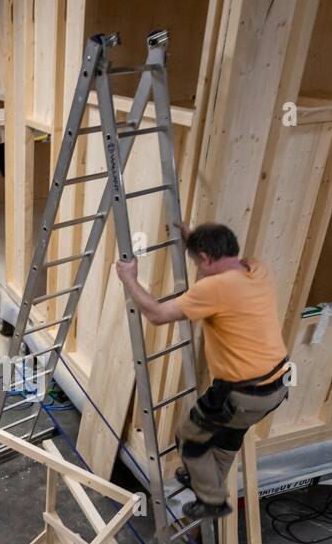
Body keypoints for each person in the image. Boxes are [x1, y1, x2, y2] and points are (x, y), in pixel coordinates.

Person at [116, 221, 289, 519]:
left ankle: (211, 500)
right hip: (276, 387)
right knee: (227, 439)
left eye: (198, 262)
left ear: (207, 258)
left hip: (242, 394)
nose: (197, 269)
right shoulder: (257, 269)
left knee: (189, 437)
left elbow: (157, 315)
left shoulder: (214, 288)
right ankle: (208, 482)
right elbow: (222, 263)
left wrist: (128, 279)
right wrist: (192, 239)